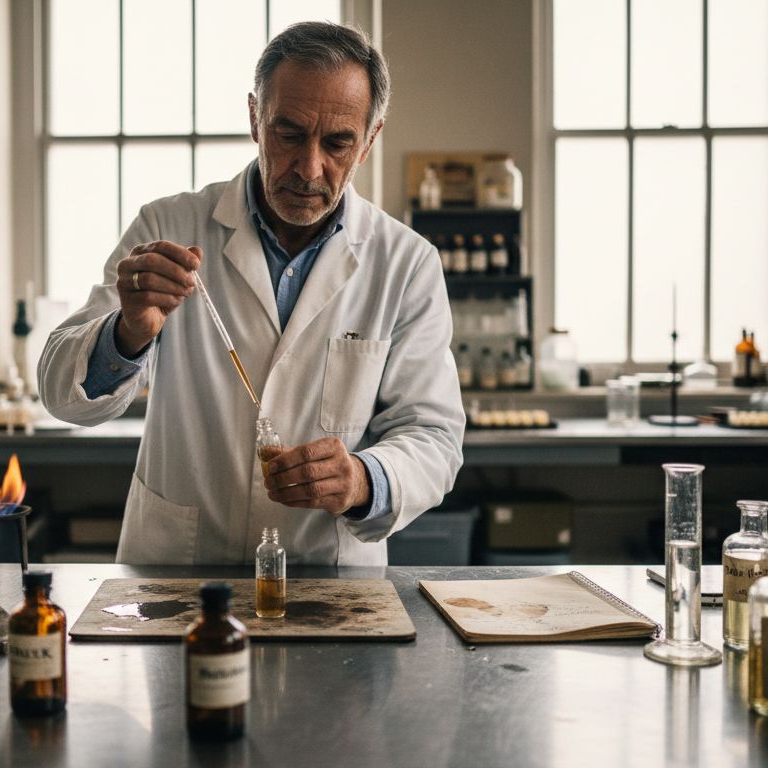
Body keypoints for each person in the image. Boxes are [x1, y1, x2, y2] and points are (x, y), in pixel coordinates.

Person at [39, 21, 464, 565]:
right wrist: (127, 333)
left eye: (337, 143)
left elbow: (432, 435)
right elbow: (61, 394)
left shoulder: (405, 263)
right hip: (179, 570)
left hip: (325, 575)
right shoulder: (170, 225)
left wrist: (362, 479)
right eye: (288, 133)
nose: (310, 169)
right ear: (254, 119)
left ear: (369, 141)